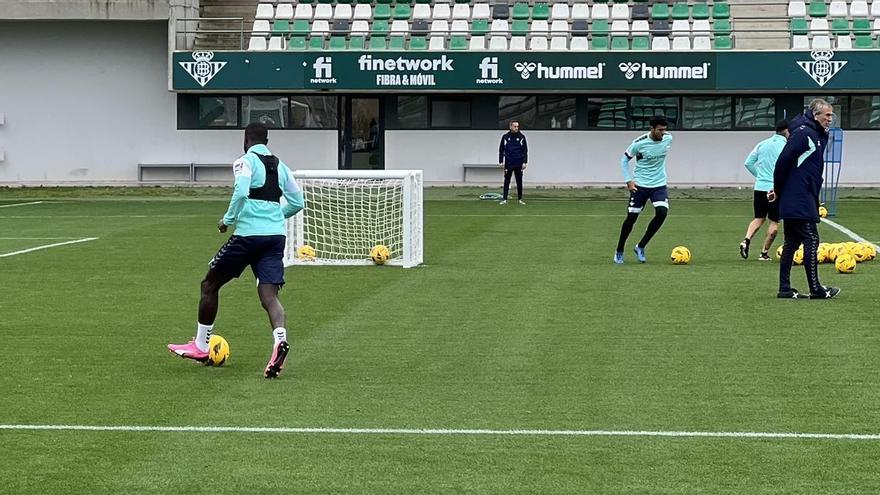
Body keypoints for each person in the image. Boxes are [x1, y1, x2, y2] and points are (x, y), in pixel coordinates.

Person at [168, 123, 306, 377]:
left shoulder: (244, 162)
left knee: (209, 284)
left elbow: (241, 191)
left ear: (245, 140)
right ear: (268, 140)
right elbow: (298, 202)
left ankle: (200, 345)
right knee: (269, 296)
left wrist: (227, 220)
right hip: (275, 237)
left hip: (247, 236)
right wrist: (275, 216)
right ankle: (279, 340)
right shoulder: (281, 166)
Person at [770, 99, 840, 299]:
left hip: (803, 194)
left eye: (831, 115)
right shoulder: (803, 133)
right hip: (798, 196)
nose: (830, 119)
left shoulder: (815, 134)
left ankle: (785, 288)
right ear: (815, 114)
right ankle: (816, 288)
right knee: (811, 238)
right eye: (827, 115)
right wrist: (778, 189)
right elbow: (783, 162)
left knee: (792, 241)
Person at [614, 115, 673, 264]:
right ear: (652, 129)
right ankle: (619, 250)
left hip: (658, 184)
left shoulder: (668, 139)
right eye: (660, 130)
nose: (663, 133)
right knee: (631, 219)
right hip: (640, 185)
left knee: (662, 213)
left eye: (664, 130)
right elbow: (624, 159)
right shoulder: (639, 143)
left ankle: (640, 246)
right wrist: (628, 180)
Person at [739, 120, 789, 261]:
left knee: (758, 218)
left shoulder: (762, 144)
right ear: (786, 131)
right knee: (774, 222)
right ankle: (764, 253)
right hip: (775, 189)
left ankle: (746, 240)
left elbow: (748, 163)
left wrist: (759, 176)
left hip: (760, 187)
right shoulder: (785, 146)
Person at [498, 120, 528, 205]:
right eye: (515, 126)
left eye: (517, 126)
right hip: (509, 163)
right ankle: (504, 199)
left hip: (518, 162)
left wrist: (525, 162)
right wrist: (501, 161)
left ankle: (520, 199)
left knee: (519, 181)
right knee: (507, 181)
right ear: (510, 127)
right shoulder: (505, 137)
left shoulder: (522, 137)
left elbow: (525, 151)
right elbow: (501, 150)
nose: (516, 128)